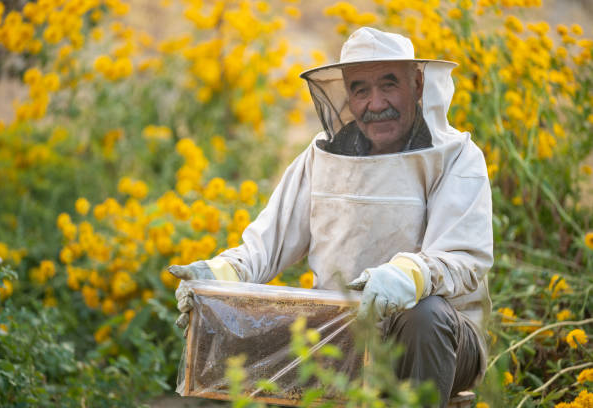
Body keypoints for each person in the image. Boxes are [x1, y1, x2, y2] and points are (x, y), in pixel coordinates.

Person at [170, 27, 493, 407]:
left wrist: (409, 276)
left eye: (389, 85)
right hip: (343, 337)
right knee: (237, 321)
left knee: (425, 314)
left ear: (418, 85)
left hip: (440, 339)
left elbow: (462, 256)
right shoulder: (321, 157)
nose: (376, 103)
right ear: (346, 95)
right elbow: (265, 245)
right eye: (361, 89)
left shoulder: (456, 156)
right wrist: (220, 278)